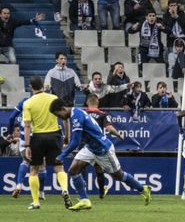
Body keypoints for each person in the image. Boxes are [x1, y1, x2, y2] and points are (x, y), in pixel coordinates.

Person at [50, 98, 152, 211]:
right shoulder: (76, 113)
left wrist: (61, 156)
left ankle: (142, 189)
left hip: (103, 149)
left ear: (63, 109)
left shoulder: (76, 115)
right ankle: (84, 200)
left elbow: (75, 142)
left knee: (119, 175)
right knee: (73, 170)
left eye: (58, 114)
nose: (59, 117)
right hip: (90, 148)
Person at [22, 76, 71, 210]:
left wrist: (27, 146)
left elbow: (27, 126)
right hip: (54, 135)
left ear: (31, 87)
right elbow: (66, 118)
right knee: (59, 167)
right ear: (43, 85)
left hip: (38, 137)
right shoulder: (53, 98)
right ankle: (65, 190)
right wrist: (66, 136)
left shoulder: (28, 103)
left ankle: (36, 201)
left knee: (33, 170)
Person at [84, 94, 125, 199]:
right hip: (98, 145)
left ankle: (83, 194)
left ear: (87, 102)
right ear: (97, 102)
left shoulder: (82, 113)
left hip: (84, 144)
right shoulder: (102, 114)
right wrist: (119, 135)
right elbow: (110, 128)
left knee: (79, 167)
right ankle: (101, 191)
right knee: (99, 170)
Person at [8, 98, 47, 200]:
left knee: (25, 161)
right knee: (41, 165)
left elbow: (11, 118)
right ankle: (41, 192)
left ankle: (19, 185)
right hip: (38, 136)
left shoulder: (25, 101)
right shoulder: (43, 101)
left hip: (23, 137)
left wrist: (9, 133)